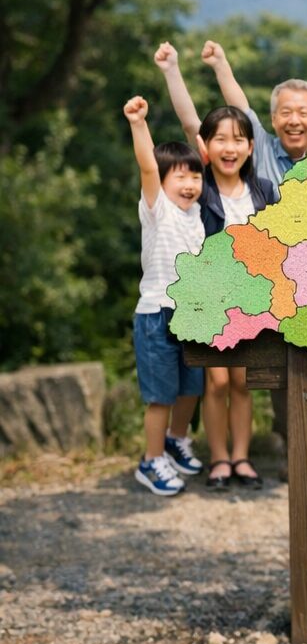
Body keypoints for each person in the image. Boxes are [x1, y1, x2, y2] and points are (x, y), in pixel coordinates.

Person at [196, 40, 307, 480]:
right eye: (286, 112)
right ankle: (294, 447)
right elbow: (237, 103)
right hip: (275, 284)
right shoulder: (262, 151)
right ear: (272, 120)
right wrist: (220, 63)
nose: (294, 119)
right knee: (281, 367)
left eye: (303, 112)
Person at [156, 43, 279, 489]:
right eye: (220, 140)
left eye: (238, 139)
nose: (230, 148)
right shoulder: (202, 187)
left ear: (250, 146)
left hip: (252, 298)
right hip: (208, 296)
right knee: (217, 384)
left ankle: (242, 458)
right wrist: (173, 70)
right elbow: (191, 119)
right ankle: (219, 459)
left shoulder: (264, 190)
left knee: (244, 383)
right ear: (207, 147)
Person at [123, 95, 207, 496]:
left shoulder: (196, 217)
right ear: (163, 182)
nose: (190, 184)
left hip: (191, 316)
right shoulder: (158, 208)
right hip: (158, 313)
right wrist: (139, 124)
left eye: (196, 177)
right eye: (181, 177)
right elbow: (146, 165)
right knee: (161, 396)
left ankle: (175, 439)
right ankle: (151, 460)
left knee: (193, 387)